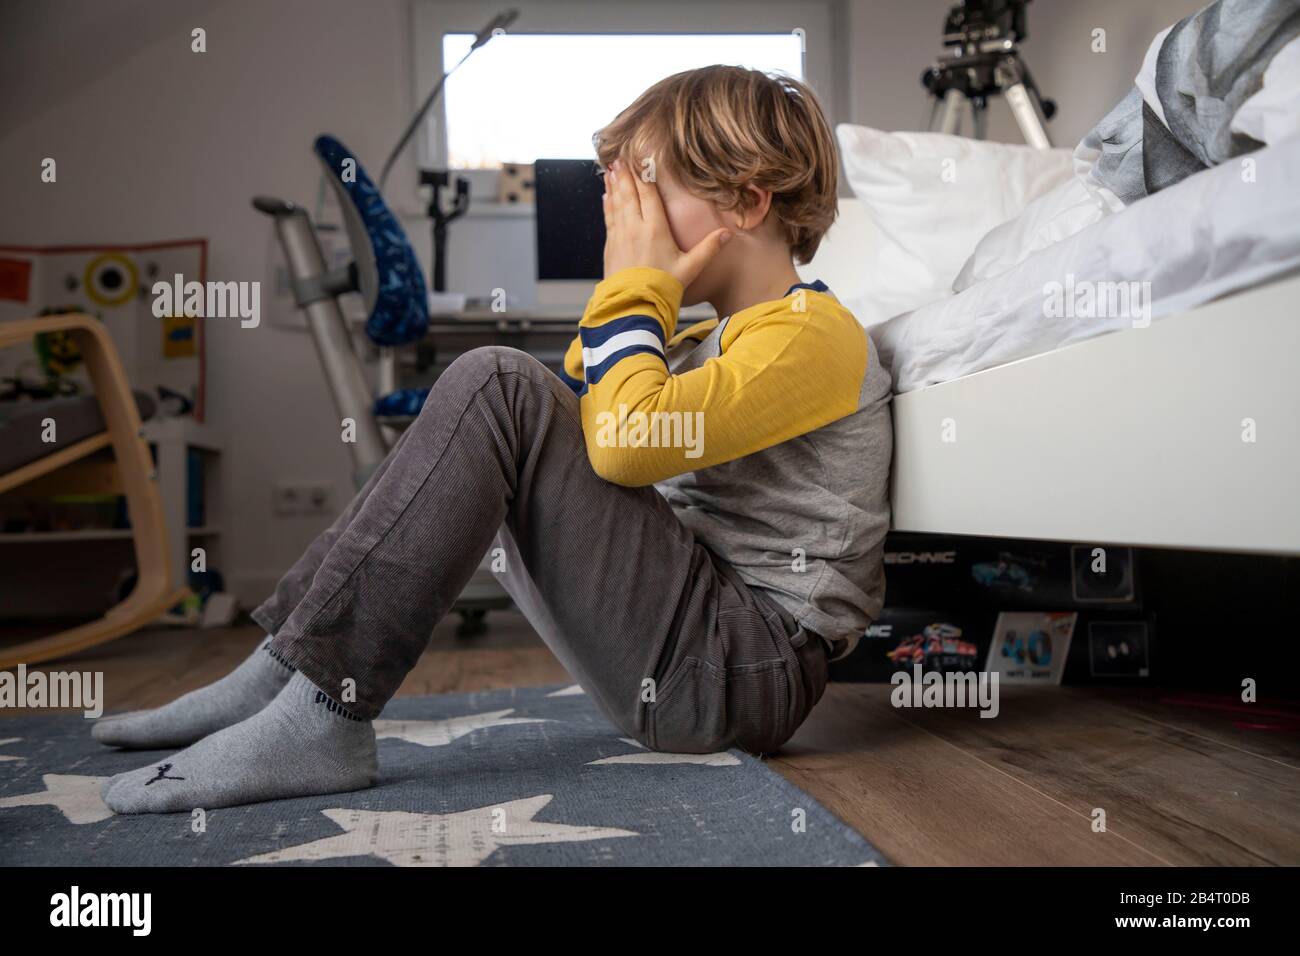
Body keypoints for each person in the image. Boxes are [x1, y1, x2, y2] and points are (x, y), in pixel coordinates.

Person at [94, 65, 893, 813]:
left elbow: (618, 443)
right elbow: (585, 403)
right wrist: (643, 293)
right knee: (491, 412)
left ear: (749, 203)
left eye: (647, 190)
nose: (625, 215)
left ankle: (320, 713)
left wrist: (634, 286)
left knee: (501, 383)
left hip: (743, 671)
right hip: (694, 651)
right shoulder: (702, 339)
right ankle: (281, 677)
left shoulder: (810, 332)